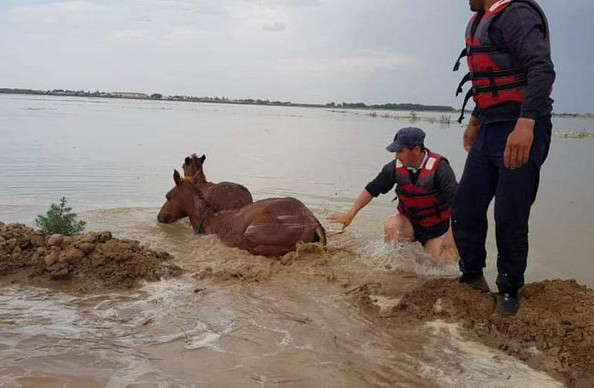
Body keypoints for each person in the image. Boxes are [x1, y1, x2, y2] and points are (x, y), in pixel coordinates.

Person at [452, 0, 555, 315]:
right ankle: (471, 276)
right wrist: (474, 122)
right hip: (490, 126)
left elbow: (541, 69)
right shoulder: (480, 21)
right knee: (465, 206)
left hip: (521, 125)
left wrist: (526, 124)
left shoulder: (517, 15)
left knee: (510, 214)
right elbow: (488, 81)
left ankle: (509, 289)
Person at [328, 127, 459, 263]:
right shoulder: (393, 168)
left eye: (400, 151)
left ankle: (432, 250)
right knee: (391, 226)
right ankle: (399, 265)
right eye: (396, 151)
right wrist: (350, 215)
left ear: (416, 150)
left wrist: (452, 234)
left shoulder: (441, 169)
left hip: (436, 230)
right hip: (408, 225)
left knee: (446, 261)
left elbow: (460, 205)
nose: (396, 156)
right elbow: (372, 189)